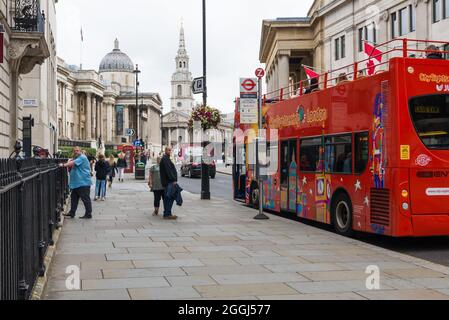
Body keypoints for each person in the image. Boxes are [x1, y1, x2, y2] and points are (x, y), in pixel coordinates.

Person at [60, 146, 93, 219]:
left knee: (85, 199)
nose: (76, 152)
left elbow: (73, 163)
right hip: (77, 183)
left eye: (77, 150)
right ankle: (72, 213)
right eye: (75, 151)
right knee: (74, 198)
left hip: (83, 182)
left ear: (80, 151)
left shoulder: (82, 157)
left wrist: (63, 165)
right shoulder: (77, 158)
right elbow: (72, 160)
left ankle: (88, 214)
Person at [159, 147, 178, 220]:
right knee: (169, 197)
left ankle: (167, 213)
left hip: (168, 182)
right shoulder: (165, 159)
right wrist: (173, 180)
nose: (170, 151)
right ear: (166, 150)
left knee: (168, 197)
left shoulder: (166, 158)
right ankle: (167, 214)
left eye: (171, 150)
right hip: (168, 182)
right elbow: (168, 171)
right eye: (169, 150)